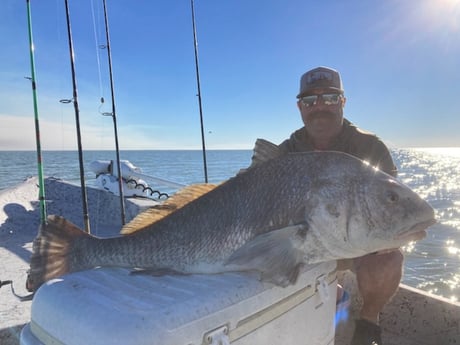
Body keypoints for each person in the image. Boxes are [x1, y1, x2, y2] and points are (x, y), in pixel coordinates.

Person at [274, 66, 401, 345]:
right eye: (310, 100)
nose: (319, 106)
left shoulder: (370, 147)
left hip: (350, 244)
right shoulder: (285, 152)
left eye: (329, 98)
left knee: (389, 259)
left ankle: (368, 323)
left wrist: (393, 233)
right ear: (300, 107)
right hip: (299, 242)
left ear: (343, 101)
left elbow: (392, 203)